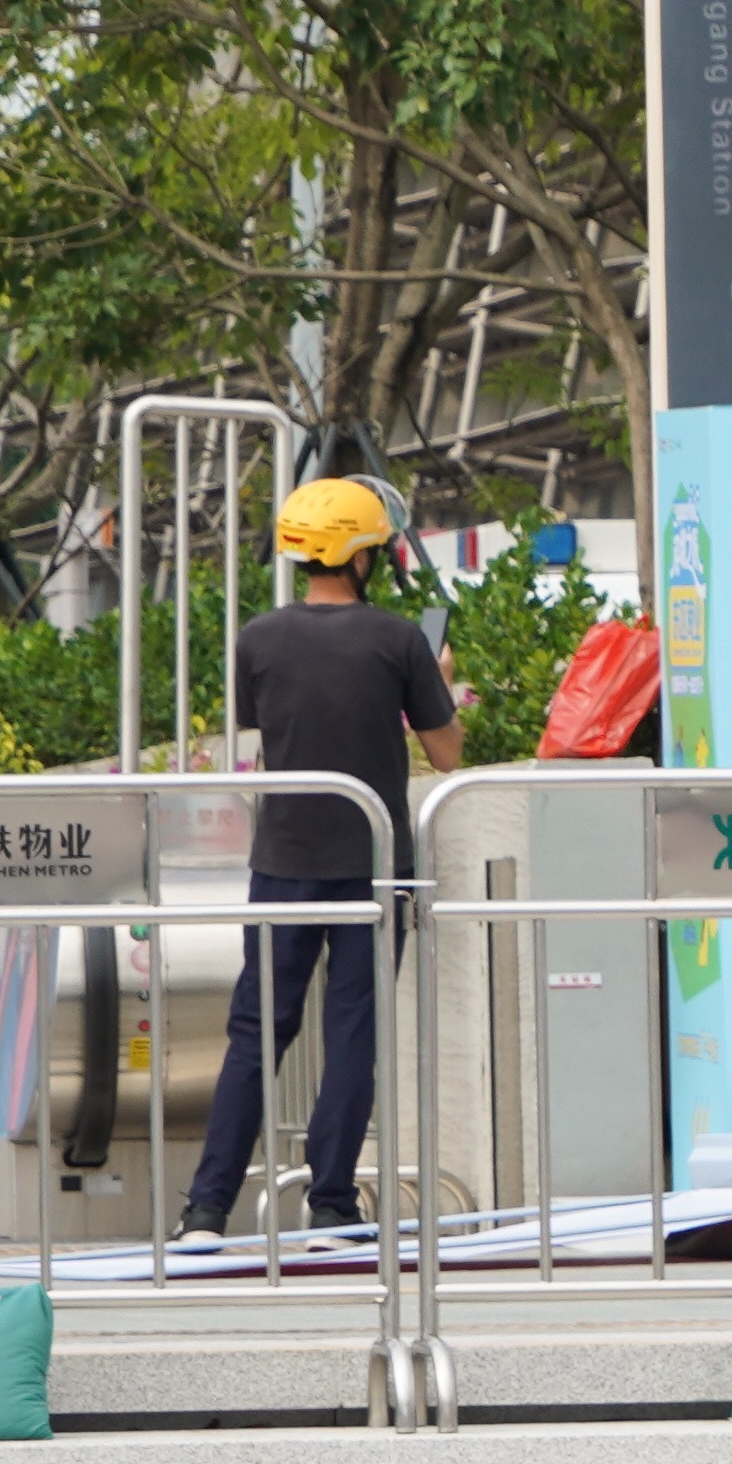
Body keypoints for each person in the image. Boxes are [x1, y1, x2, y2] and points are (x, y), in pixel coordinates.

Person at [185, 471, 460, 1247]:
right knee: (352, 1031)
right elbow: (445, 754)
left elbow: (261, 731)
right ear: (365, 554)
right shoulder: (400, 639)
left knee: (257, 1031)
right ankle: (332, 1205)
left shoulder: (259, 638)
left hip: (281, 860)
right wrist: (435, 687)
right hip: (375, 864)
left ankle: (206, 1208)